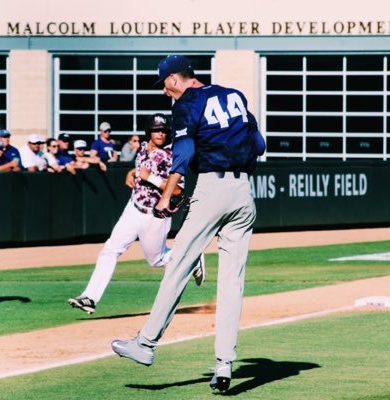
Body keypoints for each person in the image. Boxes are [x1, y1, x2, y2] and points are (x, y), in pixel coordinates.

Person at [111, 55, 266, 392]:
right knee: (232, 282)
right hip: (243, 193)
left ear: (176, 79)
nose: (165, 92)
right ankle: (224, 364)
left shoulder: (187, 103)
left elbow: (182, 152)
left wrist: (167, 194)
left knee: (179, 264)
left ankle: (146, 344)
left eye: (165, 84)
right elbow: (259, 145)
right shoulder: (234, 95)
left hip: (212, 187)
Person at [68, 113, 205, 314]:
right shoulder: (142, 147)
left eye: (164, 130)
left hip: (155, 215)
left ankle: (192, 257)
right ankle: (90, 297)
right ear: (149, 131)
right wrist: (131, 173)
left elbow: (177, 190)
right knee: (110, 249)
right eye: (157, 130)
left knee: (156, 260)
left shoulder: (171, 155)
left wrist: (151, 178)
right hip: (133, 208)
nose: (161, 133)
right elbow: (140, 169)